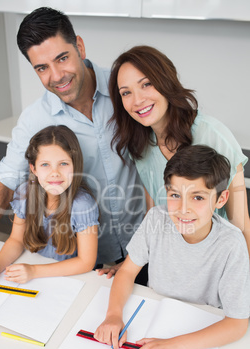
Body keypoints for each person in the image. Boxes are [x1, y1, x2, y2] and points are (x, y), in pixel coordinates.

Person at [0, 7, 144, 268]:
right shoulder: (35, 119)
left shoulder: (124, 88)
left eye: (62, 58)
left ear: (79, 47)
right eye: (42, 68)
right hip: (90, 264)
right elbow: (6, 180)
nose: (56, 76)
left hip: (145, 249)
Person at [94, 145, 250, 349]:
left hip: (200, 332)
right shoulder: (156, 219)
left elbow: (237, 324)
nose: (183, 209)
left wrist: (175, 346)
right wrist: (113, 315)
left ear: (221, 199)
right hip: (152, 317)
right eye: (175, 195)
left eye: (198, 197)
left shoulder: (232, 244)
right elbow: (127, 271)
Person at [106, 45, 250, 255]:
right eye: (126, 93)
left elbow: (241, 226)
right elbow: (154, 218)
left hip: (216, 259)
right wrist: (131, 264)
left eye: (146, 84)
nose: (137, 100)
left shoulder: (213, 135)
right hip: (171, 260)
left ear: (166, 82)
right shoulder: (140, 145)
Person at [0, 125, 99, 284]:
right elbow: (16, 241)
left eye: (63, 163)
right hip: (37, 268)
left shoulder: (82, 205)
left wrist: (34, 271)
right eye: (45, 164)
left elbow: (86, 262)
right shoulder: (24, 194)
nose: (55, 172)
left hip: (69, 277)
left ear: (75, 166)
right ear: (34, 168)